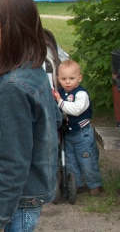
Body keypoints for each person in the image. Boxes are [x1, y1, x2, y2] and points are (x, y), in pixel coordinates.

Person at [0, 0, 62, 232]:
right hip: (22, 200)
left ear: (7, 28)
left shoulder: (14, 86)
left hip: (13, 207)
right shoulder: (33, 67)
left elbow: (13, 165)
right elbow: (52, 119)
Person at [53, 59, 103, 196]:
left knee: (86, 159)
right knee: (70, 161)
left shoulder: (81, 94)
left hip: (82, 134)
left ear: (79, 78)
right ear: (58, 79)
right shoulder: (60, 93)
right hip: (67, 134)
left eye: (71, 78)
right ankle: (76, 184)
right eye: (63, 79)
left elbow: (75, 110)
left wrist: (59, 102)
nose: (67, 82)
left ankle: (95, 184)